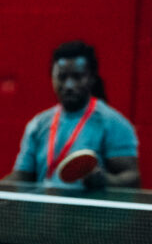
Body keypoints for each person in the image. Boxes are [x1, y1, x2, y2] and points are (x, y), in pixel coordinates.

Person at [8, 40, 140, 189]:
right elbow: (22, 176)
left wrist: (105, 181)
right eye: (62, 77)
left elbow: (132, 177)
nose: (69, 85)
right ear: (52, 78)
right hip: (44, 211)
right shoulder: (37, 124)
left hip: (88, 211)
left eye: (77, 77)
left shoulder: (114, 124)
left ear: (91, 78)